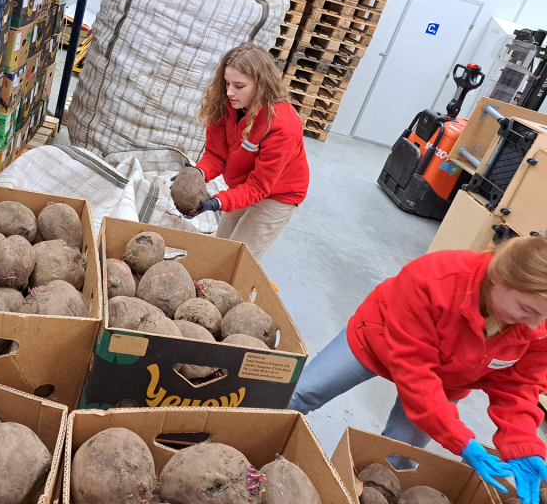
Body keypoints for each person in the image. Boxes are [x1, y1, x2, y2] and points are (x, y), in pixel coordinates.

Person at [288, 236, 547, 504]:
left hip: (450, 378)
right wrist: (457, 437)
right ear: (498, 279)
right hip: (379, 341)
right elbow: (414, 371)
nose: (533, 325)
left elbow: (519, 387)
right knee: (300, 394)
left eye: (543, 315)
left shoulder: (538, 327)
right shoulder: (431, 279)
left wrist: (523, 444)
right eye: (526, 309)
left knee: (401, 456)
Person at [183, 43, 309, 262]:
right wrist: (199, 173)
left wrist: (217, 202)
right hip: (244, 184)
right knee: (218, 249)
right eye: (227, 83)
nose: (229, 92)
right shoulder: (226, 104)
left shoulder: (282, 125)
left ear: (261, 85)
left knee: (236, 260)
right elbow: (216, 154)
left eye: (239, 86)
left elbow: (259, 186)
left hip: (278, 195)